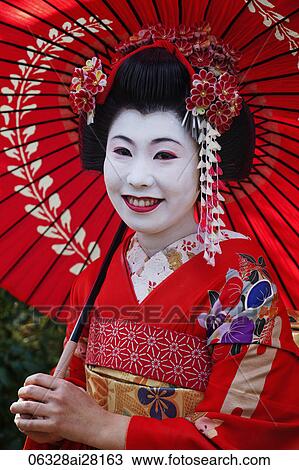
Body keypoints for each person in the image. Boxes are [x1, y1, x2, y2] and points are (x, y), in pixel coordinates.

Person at [10, 25, 299, 450]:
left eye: (165, 155)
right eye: (122, 151)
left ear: (207, 162)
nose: (138, 178)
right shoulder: (94, 278)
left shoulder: (244, 285)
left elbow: (247, 439)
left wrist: (100, 428)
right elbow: (74, 402)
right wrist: (53, 422)